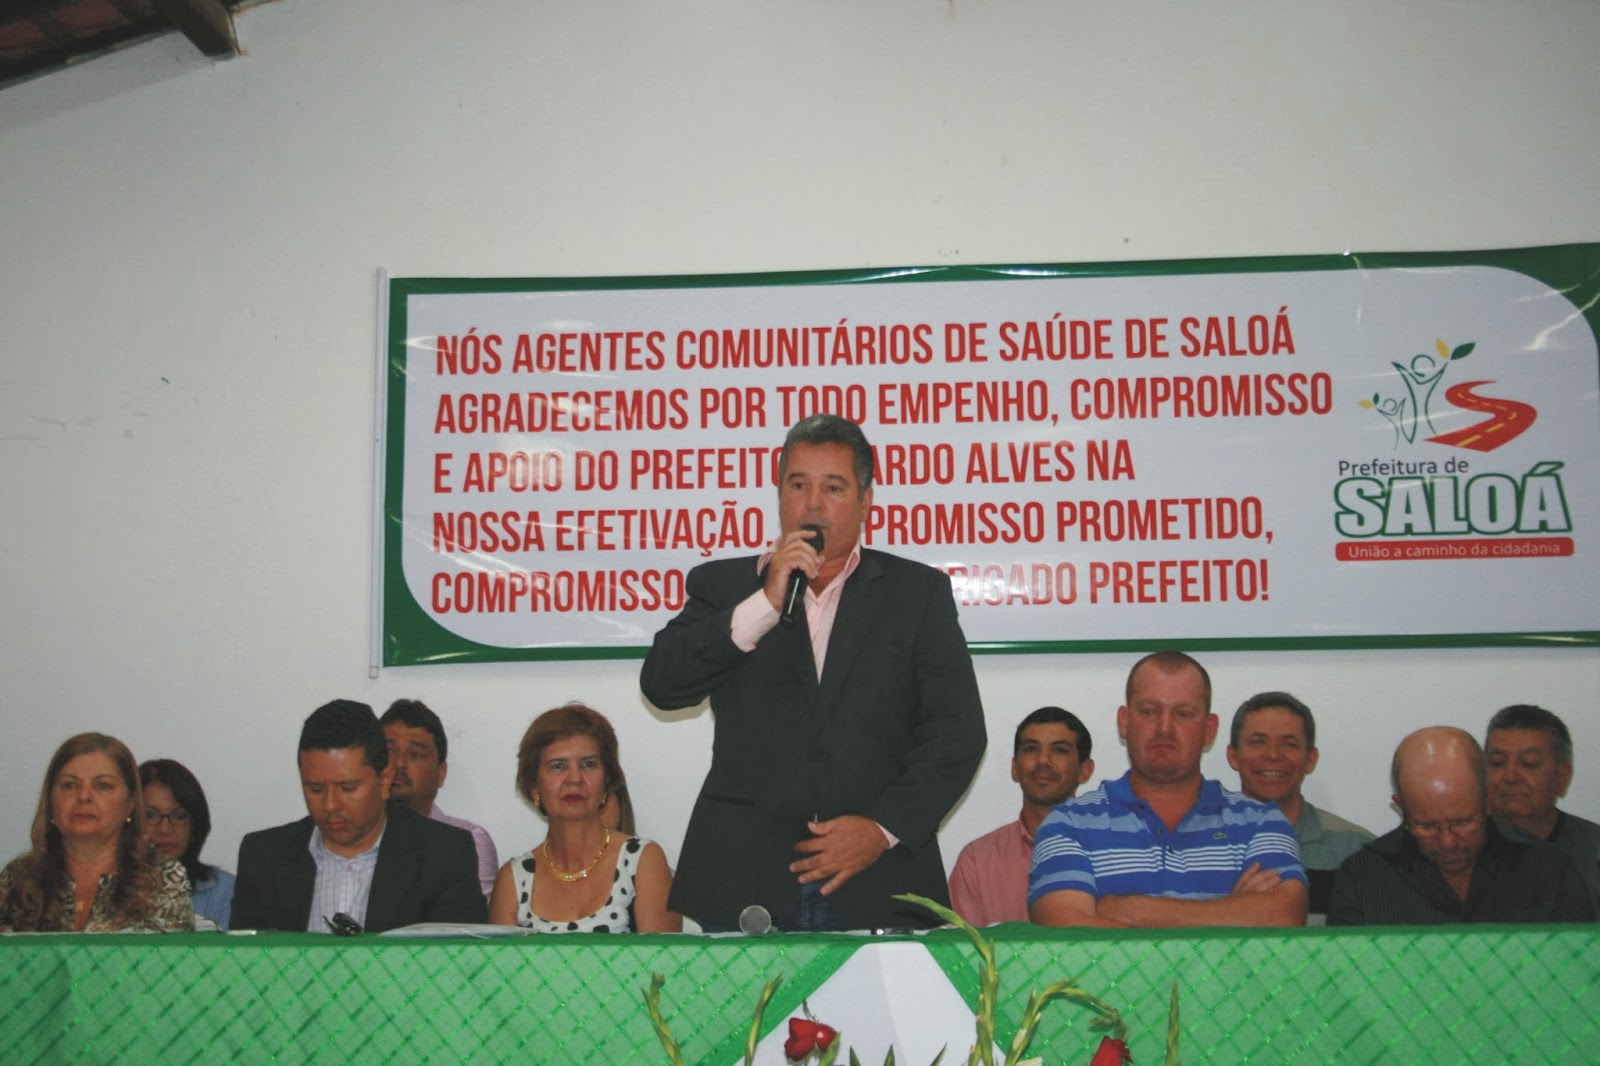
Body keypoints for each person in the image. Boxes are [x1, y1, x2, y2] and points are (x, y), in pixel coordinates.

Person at [640, 413, 986, 932]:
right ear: (779, 494)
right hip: (747, 876)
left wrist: (881, 829)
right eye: (798, 485)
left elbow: (958, 733)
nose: (814, 504)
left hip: (876, 878)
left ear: (866, 502)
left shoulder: (917, 594)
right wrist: (764, 603)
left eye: (834, 487)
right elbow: (662, 685)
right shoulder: (723, 586)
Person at [1030, 651, 1307, 927]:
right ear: (1124, 722)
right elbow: (1067, 930)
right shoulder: (1068, 824)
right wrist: (1233, 913)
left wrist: (1131, 910)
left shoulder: (1262, 822)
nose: (1164, 728)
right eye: (1148, 712)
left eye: (1183, 714)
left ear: (1209, 729)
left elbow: (1285, 915)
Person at [230, 699, 487, 933]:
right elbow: (246, 963)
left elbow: (454, 963)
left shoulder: (444, 856)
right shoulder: (264, 858)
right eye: (315, 788)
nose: (331, 805)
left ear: (385, 781)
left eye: (348, 788)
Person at [1328, 726, 1595, 925]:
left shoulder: (1549, 870)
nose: (1448, 842)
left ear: (1488, 799)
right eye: (1426, 827)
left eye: (1462, 823)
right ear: (1400, 806)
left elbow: (1581, 970)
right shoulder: (1363, 876)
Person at [488, 703, 678, 933]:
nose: (574, 779)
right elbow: (500, 958)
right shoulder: (513, 879)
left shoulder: (643, 860)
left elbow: (663, 956)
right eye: (558, 766)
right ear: (534, 788)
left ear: (607, 781)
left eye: (588, 764)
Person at [0, 733, 192, 932]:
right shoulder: (18, 879)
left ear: (131, 804)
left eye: (103, 786)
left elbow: (170, 952)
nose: (84, 796)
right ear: (50, 801)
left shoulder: (161, 879)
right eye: (69, 785)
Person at [1225, 691, 1373, 919]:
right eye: (1258, 742)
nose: (1273, 755)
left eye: (1289, 744)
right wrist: (1232, 912)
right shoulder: (1199, 849)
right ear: (1233, 756)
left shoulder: (1357, 851)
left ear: (1311, 759)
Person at [948, 707, 1095, 926]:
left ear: (1085, 770)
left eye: (1059, 750)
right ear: (1014, 768)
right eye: (1031, 749)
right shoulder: (977, 861)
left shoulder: (1110, 852)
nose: (1043, 760)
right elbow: (962, 945)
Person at [380, 699, 499, 899]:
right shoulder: (351, 836)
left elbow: (472, 918)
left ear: (441, 774)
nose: (399, 763)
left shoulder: (469, 842)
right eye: (389, 751)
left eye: (415, 754)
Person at [1484, 704, 1600, 901]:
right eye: (1497, 762)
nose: (1510, 776)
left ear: (1562, 777)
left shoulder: (1593, 849)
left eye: (1528, 763)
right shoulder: (1457, 847)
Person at [139, 758, 235, 930]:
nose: (165, 829)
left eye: (179, 816)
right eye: (150, 815)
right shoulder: (104, 890)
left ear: (195, 824)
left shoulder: (224, 891)